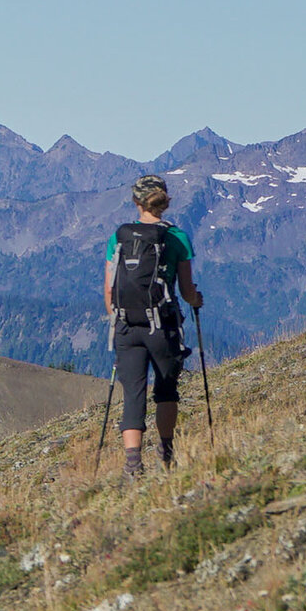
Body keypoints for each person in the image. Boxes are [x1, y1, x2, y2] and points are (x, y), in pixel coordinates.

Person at [102, 174, 202, 478]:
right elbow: (185, 291)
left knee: (133, 394)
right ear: (165, 200)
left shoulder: (119, 237)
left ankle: (133, 464)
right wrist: (196, 300)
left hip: (127, 326)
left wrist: (118, 322)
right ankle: (166, 452)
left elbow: (108, 290)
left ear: (136, 201)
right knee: (166, 390)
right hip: (163, 326)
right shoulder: (178, 237)